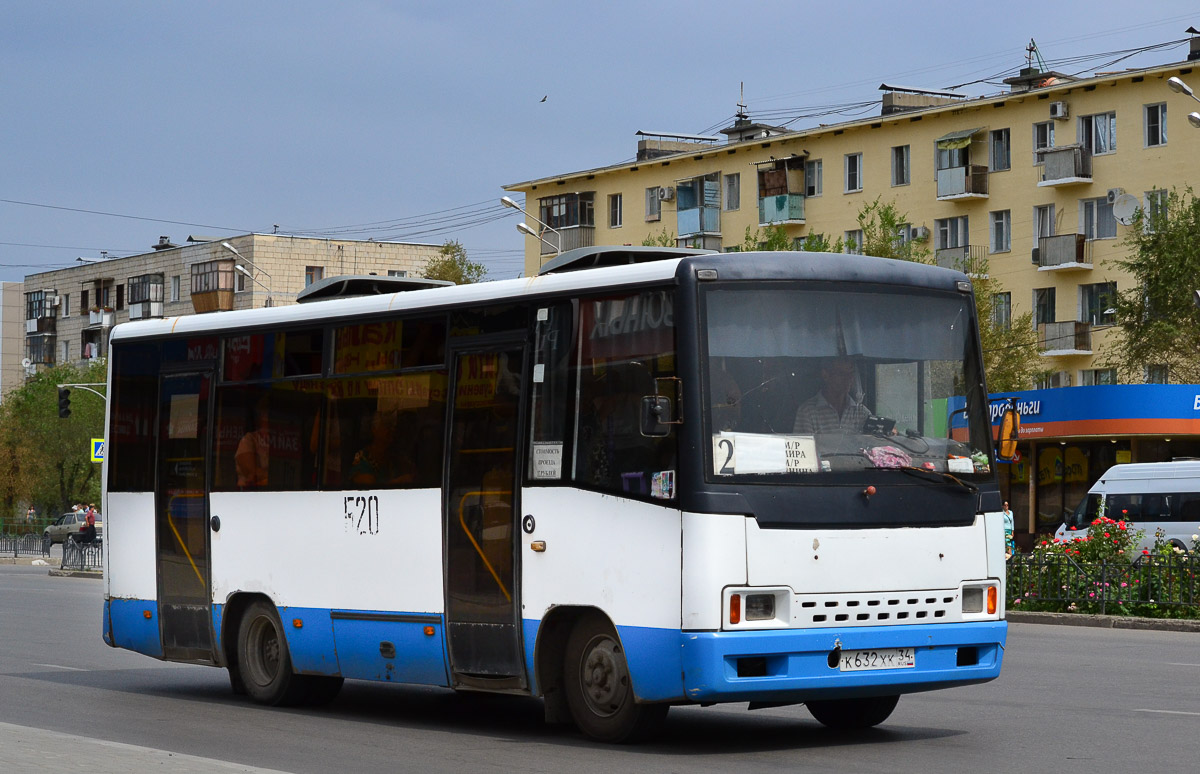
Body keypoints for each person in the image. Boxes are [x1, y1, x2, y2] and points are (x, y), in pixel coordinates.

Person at [793, 356, 871, 434]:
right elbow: (804, 445)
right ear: (825, 375)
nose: (848, 379)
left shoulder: (861, 413)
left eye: (851, 374)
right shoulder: (808, 412)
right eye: (841, 374)